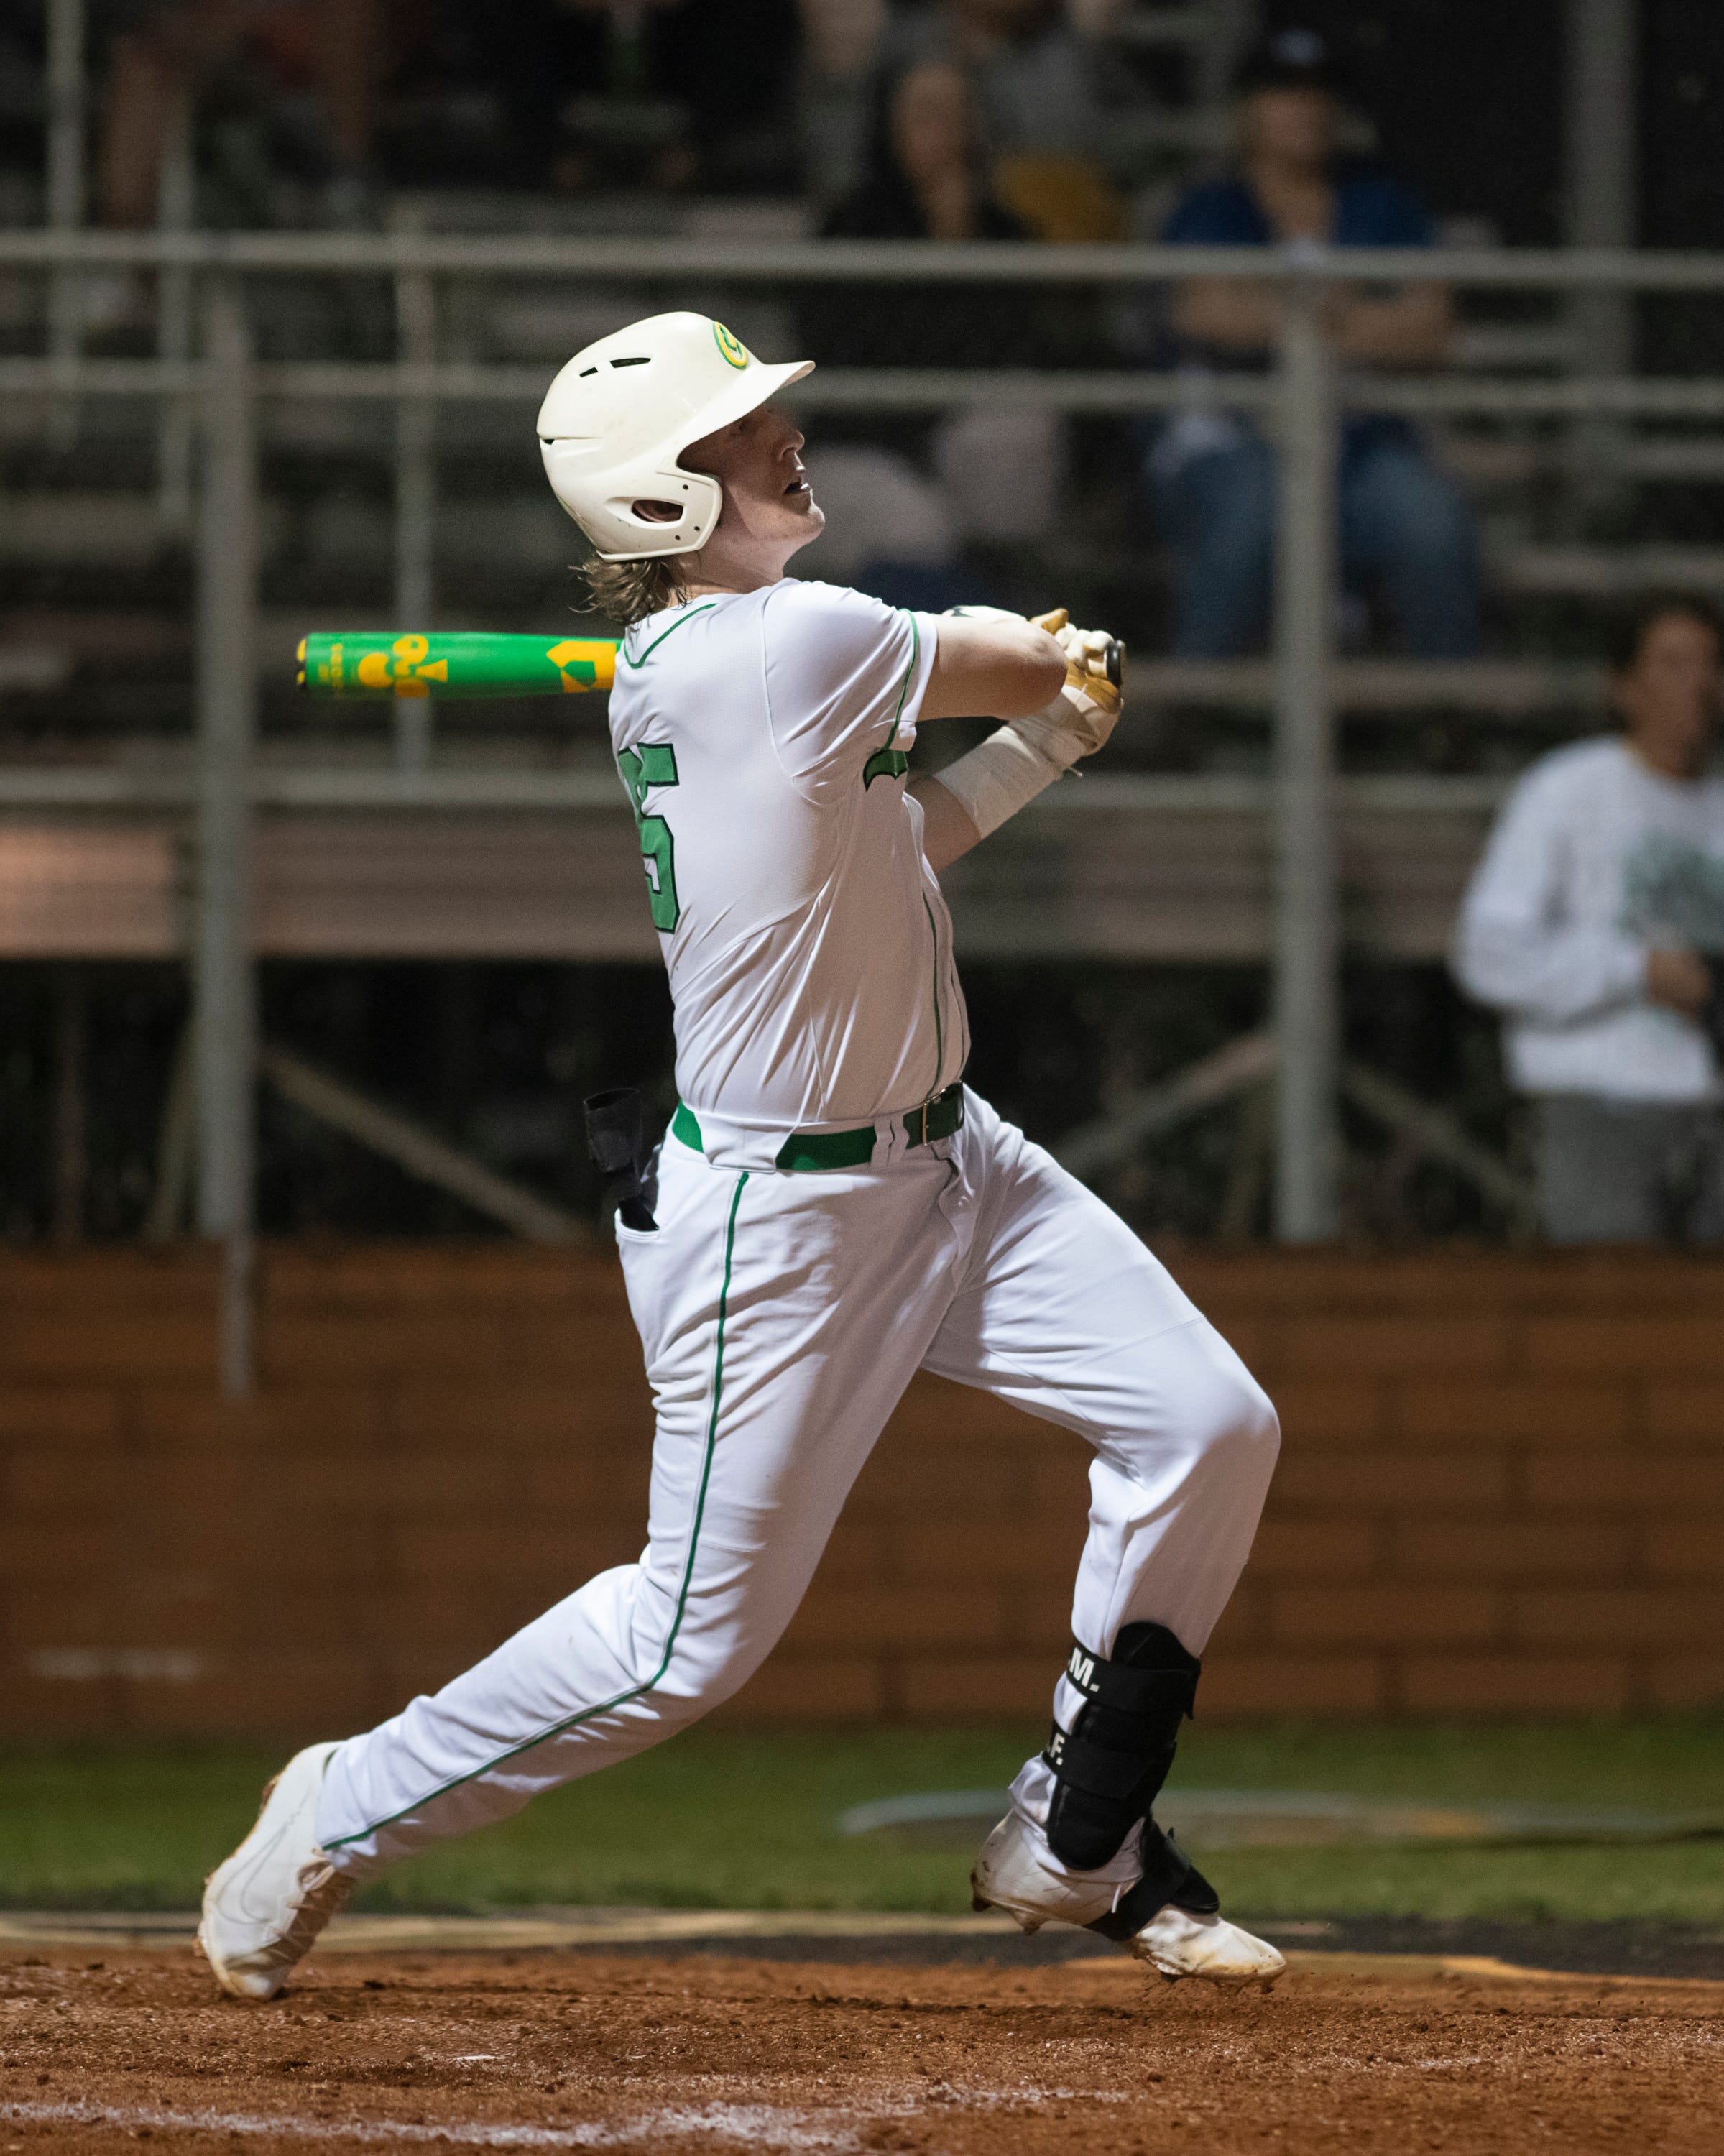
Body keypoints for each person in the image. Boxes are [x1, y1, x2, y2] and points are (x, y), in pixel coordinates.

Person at [196, 309, 1285, 1999]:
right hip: (781, 1218)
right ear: (656, 500)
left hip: (957, 1166)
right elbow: (996, 652)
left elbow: (897, 844)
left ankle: (1074, 1835)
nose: (782, 431)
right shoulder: (781, 645)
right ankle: (344, 1798)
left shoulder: (734, 665)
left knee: (1205, 1420)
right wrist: (1055, 669)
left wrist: (1047, 740)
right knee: (683, 1642)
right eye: (737, 428)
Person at [1148, 25, 1481, 659]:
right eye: (1282, 91)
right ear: (1247, 109)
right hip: (1228, 437)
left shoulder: (1382, 203)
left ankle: (1448, 720)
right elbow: (1203, 310)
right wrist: (1349, 316)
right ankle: (1188, 705)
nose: (1304, 106)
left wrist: (1286, 314)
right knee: (1256, 509)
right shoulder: (1208, 204)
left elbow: (1429, 328)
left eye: (1317, 91)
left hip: (1363, 441)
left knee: (1430, 520)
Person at [1455, 598, 1724, 1243]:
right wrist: (1637, 971)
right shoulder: (1567, 790)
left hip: (1708, 1104)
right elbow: (1487, 952)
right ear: (1625, 685)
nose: (1697, 683)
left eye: (1710, 664)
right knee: (1607, 1319)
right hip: (1597, 1101)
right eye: (1672, 663)